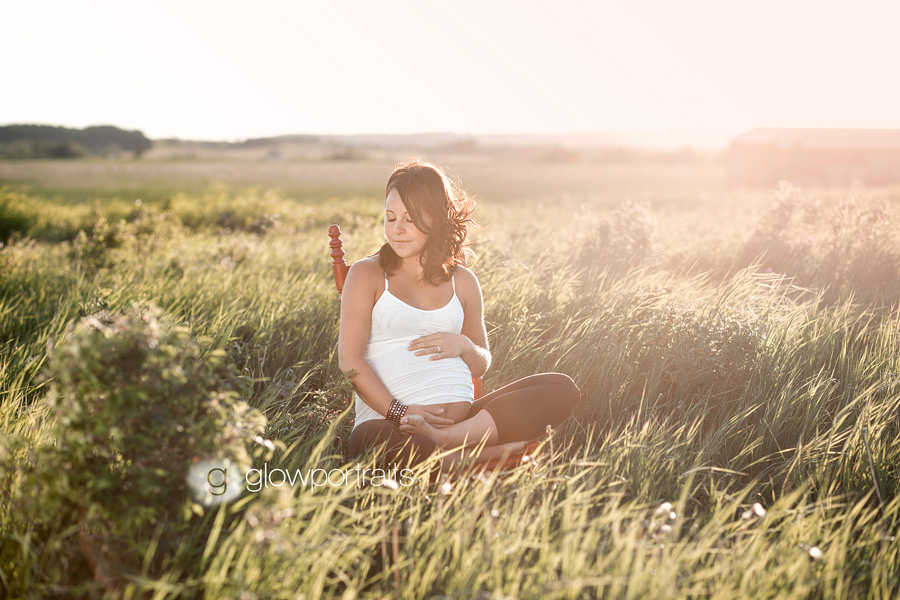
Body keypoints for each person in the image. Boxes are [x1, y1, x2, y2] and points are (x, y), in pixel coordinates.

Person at [338, 158, 580, 471]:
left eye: (410, 219)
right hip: (390, 425)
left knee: (560, 388)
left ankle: (447, 443)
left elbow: (480, 364)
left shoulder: (463, 281)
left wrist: (464, 345)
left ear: (436, 219)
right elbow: (349, 361)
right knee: (379, 443)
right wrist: (400, 412)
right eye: (390, 217)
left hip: (463, 424)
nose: (396, 230)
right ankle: (471, 455)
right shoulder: (367, 274)